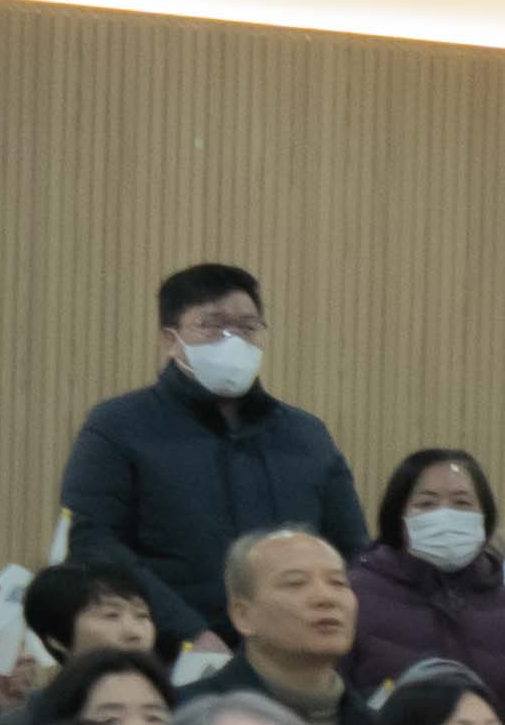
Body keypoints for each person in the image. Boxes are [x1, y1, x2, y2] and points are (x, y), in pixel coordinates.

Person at [53, 260, 364, 638]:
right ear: (171, 339)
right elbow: (93, 543)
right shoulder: (118, 425)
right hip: (170, 655)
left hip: (289, 649)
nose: (233, 340)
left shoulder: (306, 435)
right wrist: (188, 634)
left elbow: (352, 552)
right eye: (214, 326)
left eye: (248, 328)